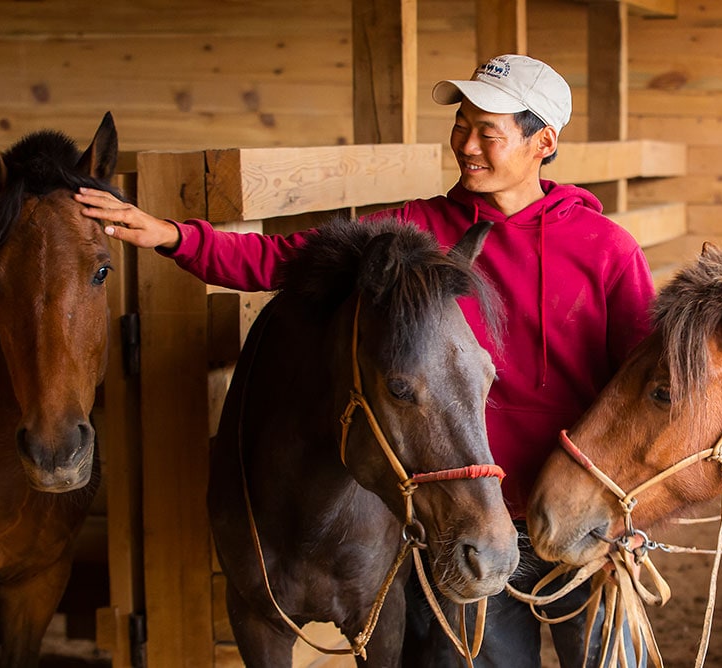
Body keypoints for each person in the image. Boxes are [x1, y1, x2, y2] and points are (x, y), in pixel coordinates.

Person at [76, 54, 654, 667]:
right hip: (464, 519)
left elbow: (643, 391)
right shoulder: (416, 231)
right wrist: (171, 236)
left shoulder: (606, 249)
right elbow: (285, 259)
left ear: (544, 141)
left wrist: (633, 507)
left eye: (489, 130)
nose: (467, 144)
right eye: (461, 124)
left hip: (577, 518)